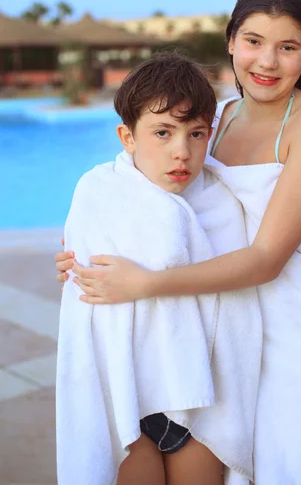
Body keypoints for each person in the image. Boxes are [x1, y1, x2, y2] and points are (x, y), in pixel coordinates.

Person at [57, 0, 301, 485]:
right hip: (225, 320)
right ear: (230, 41)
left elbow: (267, 258)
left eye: (287, 47)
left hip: (297, 323)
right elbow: (163, 205)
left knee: (296, 468)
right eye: (253, 41)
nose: (266, 62)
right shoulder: (216, 118)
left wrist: (143, 283)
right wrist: (86, 254)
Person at [56, 51, 263, 485]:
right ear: (127, 137)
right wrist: (73, 264)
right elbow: (84, 278)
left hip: (203, 401)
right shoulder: (99, 191)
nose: (181, 151)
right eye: (162, 133)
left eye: (196, 134)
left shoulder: (222, 200)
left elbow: (237, 297)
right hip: (128, 393)